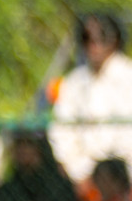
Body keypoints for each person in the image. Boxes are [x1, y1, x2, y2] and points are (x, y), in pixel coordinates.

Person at [49, 13, 132, 191]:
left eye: (102, 36)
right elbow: (61, 132)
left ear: (116, 39)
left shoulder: (128, 77)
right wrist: (79, 173)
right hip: (83, 177)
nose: (93, 44)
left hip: (125, 174)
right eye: (87, 38)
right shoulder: (73, 82)